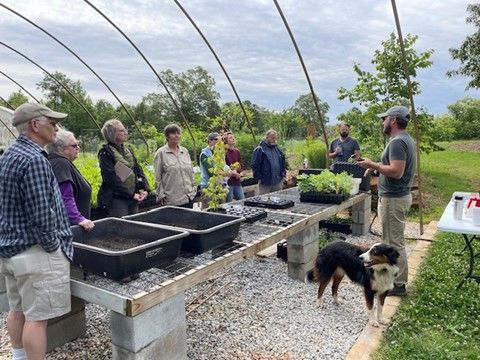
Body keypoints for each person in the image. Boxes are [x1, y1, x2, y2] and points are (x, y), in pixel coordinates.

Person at [0, 103, 73, 360]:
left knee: (17, 309)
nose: (56, 128)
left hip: (10, 250)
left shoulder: (8, 155)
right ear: (34, 125)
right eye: (52, 123)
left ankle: (18, 357)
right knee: (37, 319)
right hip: (35, 253)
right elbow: (43, 215)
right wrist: (54, 247)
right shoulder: (34, 160)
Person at [357, 105, 416, 297]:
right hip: (397, 197)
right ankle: (394, 281)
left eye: (385, 118)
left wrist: (371, 164)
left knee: (394, 243)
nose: (383, 122)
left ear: (393, 120)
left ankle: (398, 284)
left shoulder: (398, 142)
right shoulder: (405, 140)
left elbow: (397, 172)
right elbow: (392, 168)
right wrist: (376, 169)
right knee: (392, 240)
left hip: (394, 199)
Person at [97, 119, 151, 217]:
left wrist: (146, 189)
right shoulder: (106, 153)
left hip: (134, 198)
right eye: (121, 131)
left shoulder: (128, 150)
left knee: (134, 225)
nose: (126, 132)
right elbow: (110, 178)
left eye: (125, 130)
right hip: (118, 199)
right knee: (121, 227)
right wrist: (131, 194)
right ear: (112, 134)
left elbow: (138, 170)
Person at [46, 129, 94, 231]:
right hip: (71, 228)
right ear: (60, 148)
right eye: (74, 145)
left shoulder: (55, 162)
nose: (78, 148)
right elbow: (65, 196)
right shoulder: (61, 164)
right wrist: (78, 218)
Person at [153, 124, 197, 208]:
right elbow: (157, 177)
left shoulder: (184, 151)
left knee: (189, 221)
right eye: (173, 133)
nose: (177, 135)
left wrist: (194, 188)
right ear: (167, 136)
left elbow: (191, 172)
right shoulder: (161, 153)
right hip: (172, 199)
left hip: (188, 197)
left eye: (178, 133)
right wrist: (160, 194)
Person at [251, 129, 286, 195]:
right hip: (265, 183)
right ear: (267, 137)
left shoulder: (277, 149)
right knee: (263, 202)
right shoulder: (260, 149)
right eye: (272, 138)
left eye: (275, 138)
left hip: (278, 181)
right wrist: (261, 178)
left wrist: (283, 174)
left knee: (277, 201)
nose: (274, 140)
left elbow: (283, 162)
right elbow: (255, 165)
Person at [224, 131, 245, 202]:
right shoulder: (224, 152)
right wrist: (234, 174)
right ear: (226, 141)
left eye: (233, 137)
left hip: (237, 181)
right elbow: (225, 167)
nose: (233, 139)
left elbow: (241, 165)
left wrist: (241, 173)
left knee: (242, 200)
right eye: (230, 138)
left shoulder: (237, 151)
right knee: (229, 203)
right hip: (228, 182)